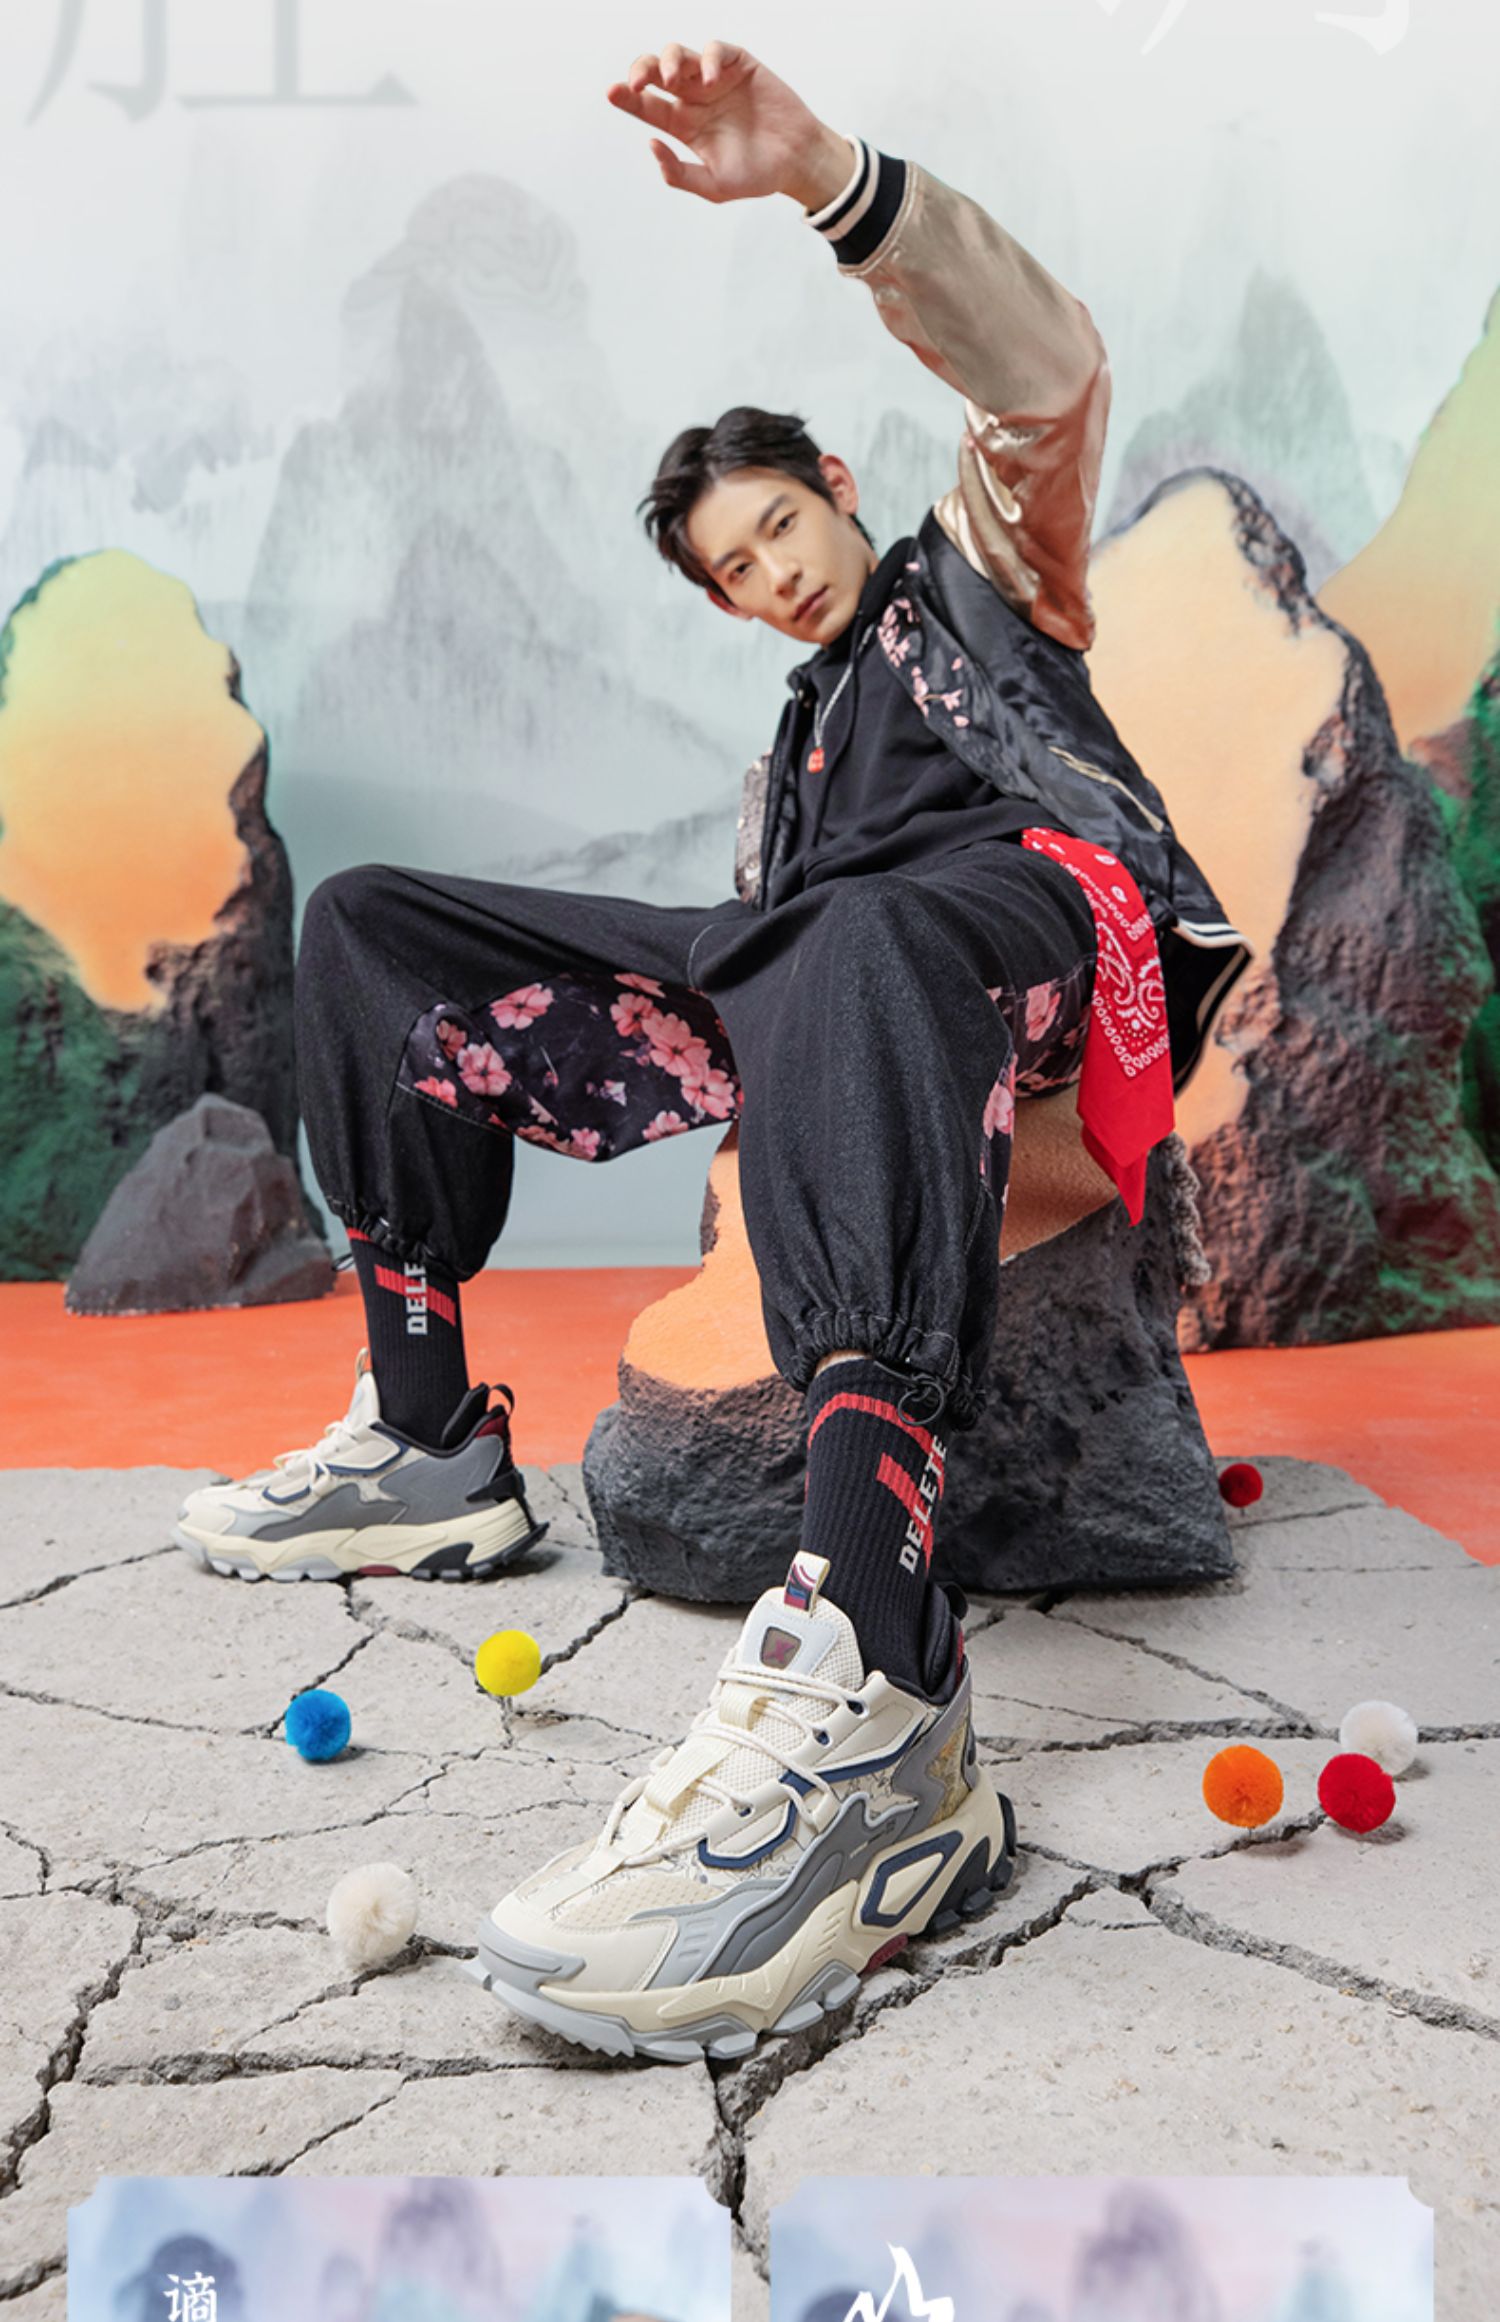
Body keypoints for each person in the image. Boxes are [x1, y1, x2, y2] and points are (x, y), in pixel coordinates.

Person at [175, 40, 1246, 2058]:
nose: (772, 577)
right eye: (734, 575)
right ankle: (426, 1435)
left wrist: (827, 175)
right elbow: (759, 976)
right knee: (372, 924)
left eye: (776, 526)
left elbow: (1047, 378)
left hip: (1003, 928)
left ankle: (874, 1660)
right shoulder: (795, 756)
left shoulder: (981, 579)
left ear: (833, 478)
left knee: (845, 932)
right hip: (809, 963)